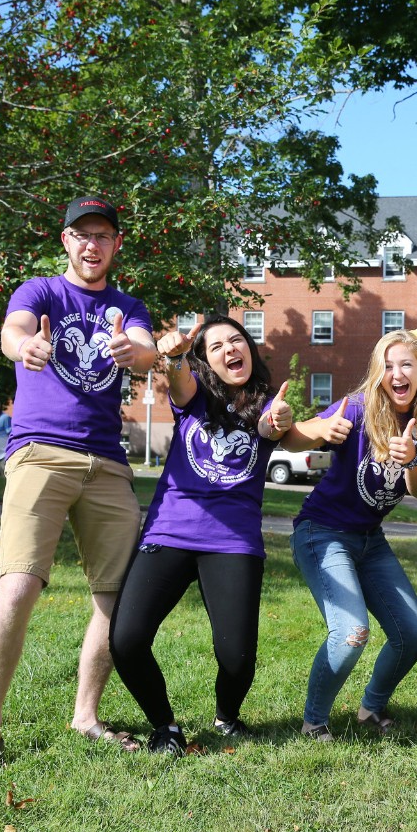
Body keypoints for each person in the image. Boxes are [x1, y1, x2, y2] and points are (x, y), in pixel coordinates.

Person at [0, 195, 158, 764]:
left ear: (116, 245)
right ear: (66, 242)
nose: (91, 244)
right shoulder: (40, 291)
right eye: (82, 235)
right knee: (20, 582)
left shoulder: (129, 305)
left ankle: (85, 715)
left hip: (107, 463)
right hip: (40, 454)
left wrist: (135, 351)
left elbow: (148, 353)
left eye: (103, 235)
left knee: (115, 594)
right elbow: (14, 330)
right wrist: (26, 346)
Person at [109, 315, 291, 756]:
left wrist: (279, 421)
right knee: (127, 640)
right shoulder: (194, 395)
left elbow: (271, 426)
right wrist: (173, 356)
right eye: (217, 346)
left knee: (237, 658)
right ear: (205, 361)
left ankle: (227, 718)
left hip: (234, 542)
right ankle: (165, 726)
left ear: (249, 347)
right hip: (171, 531)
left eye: (237, 340)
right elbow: (179, 381)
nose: (231, 349)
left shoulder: (265, 401)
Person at [281, 330, 417, 742]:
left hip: (370, 539)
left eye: (406, 364)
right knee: (352, 631)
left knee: (412, 634)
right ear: (377, 373)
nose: (397, 373)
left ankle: (370, 708)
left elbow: (415, 490)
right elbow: (294, 438)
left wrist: (414, 460)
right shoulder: (356, 408)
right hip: (322, 533)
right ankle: (313, 722)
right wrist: (321, 426)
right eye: (388, 366)